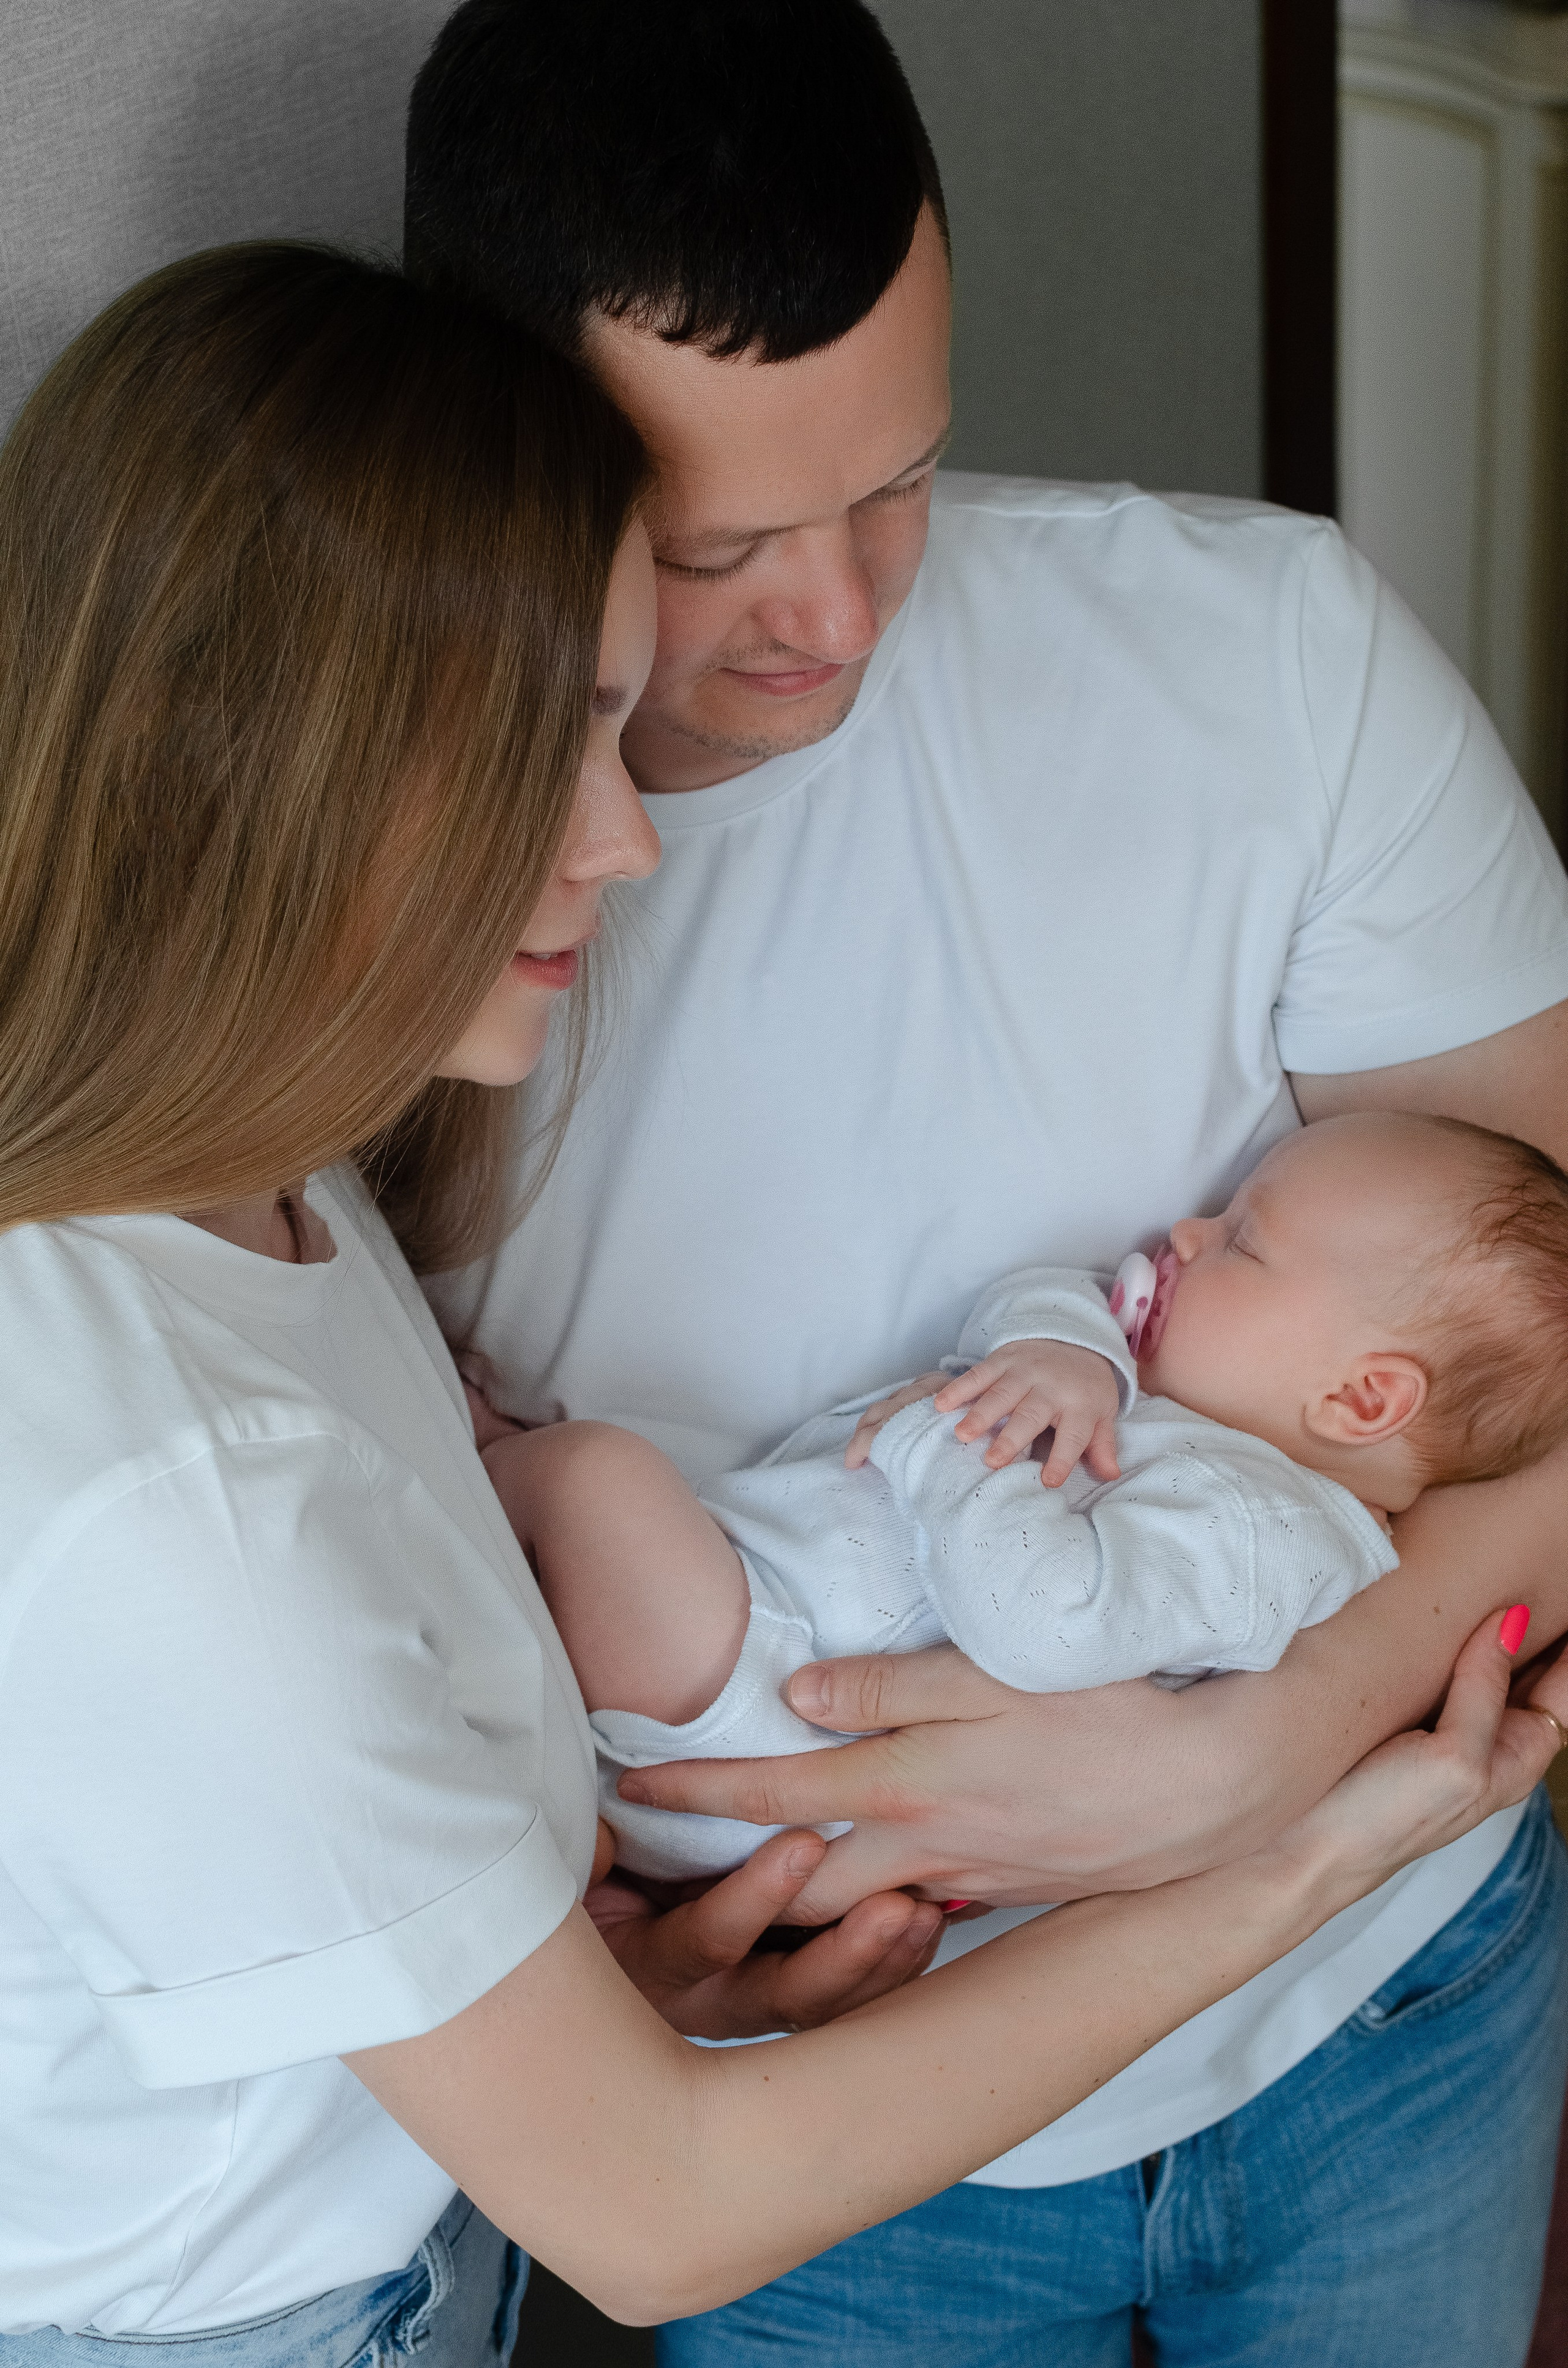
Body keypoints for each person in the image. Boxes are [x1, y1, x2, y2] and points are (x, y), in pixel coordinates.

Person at [5, 238, 1551, 2366]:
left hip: (480, 2196)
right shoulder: (180, 1469)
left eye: (899, 478)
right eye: (562, 733)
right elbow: (654, 2208)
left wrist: (580, 1976)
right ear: (261, 767)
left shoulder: (284, 1188)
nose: (633, 844)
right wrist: (1288, 1832)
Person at [404, 2, 1568, 2358]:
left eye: (900, 478)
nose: (839, 618)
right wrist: (567, 1937)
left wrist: (1281, 1736)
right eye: (723, 540)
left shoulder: (1269, 663)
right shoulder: (375, 915)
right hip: (841, 2125)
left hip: (1384, 2011)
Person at [477, 1112, 1568, 1883]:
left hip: (772, 1701)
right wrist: (1062, 1349)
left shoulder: (1263, 1535)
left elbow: (1045, 1626)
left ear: (1362, 1397)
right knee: (566, 1532)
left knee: (588, 1475)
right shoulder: (1186, 1396)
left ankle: (465, 1477)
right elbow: (1047, 1298)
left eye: (1241, 1240)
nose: (1184, 1235)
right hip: (751, 1623)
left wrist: (937, 1435)